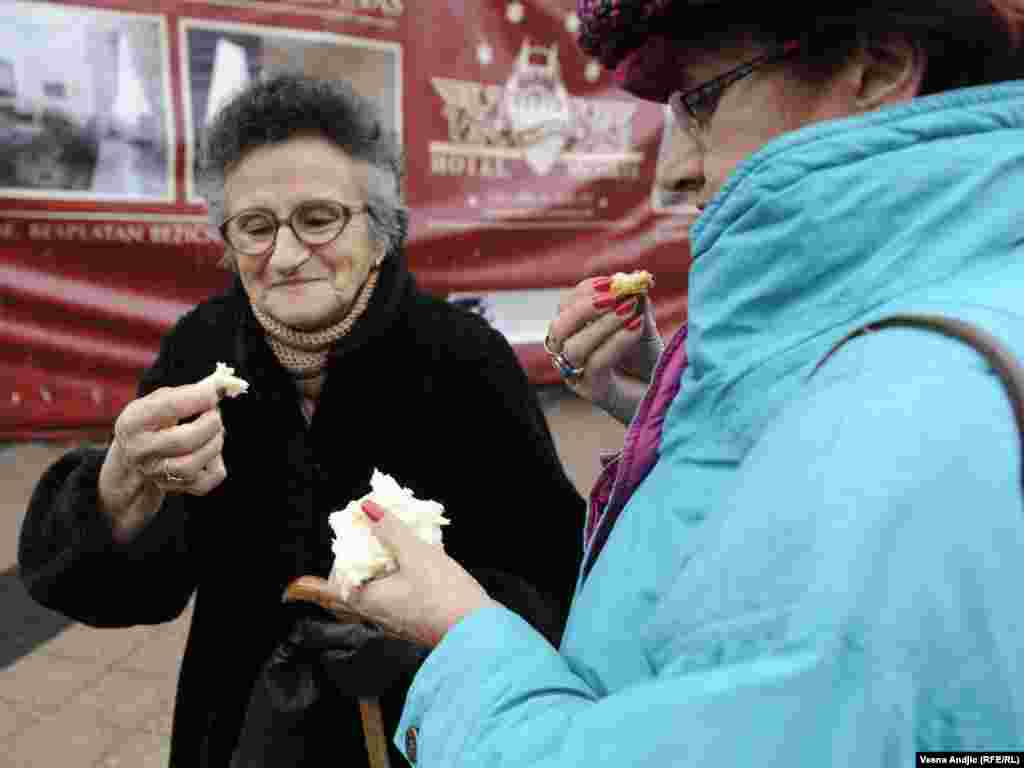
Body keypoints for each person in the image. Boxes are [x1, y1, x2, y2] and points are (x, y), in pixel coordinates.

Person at [314, 1, 1024, 764]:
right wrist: (675, 406)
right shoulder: (931, 344)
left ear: (876, 69)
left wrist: (459, 639)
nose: (674, 169)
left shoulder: (907, 414)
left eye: (702, 101)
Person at [17, 74, 585, 767]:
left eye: (318, 219)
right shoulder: (202, 348)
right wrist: (117, 490)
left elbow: (552, 575)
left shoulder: (465, 359)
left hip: (422, 731)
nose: (284, 257)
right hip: (235, 729)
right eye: (255, 227)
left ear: (378, 230)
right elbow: (137, 587)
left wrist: (425, 641)